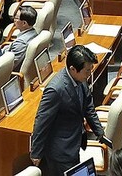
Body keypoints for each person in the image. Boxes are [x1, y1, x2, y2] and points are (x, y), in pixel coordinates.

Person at [30, 45, 107, 176]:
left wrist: (99, 131)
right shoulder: (56, 90)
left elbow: (88, 106)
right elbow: (41, 121)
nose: (90, 74)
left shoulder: (80, 78)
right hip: (60, 150)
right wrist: (36, 152)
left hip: (75, 141)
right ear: (73, 69)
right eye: (87, 71)